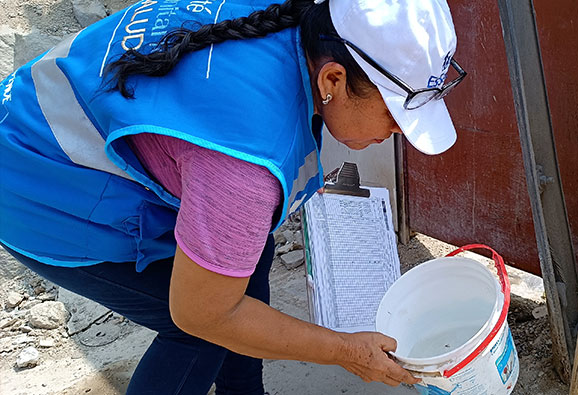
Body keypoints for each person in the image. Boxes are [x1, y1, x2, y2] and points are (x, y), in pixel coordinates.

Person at [0, 0, 465, 393]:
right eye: (395, 117)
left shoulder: (304, 19)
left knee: (244, 252)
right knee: (200, 332)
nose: (395, 135)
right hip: (35, 185)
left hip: (46, 104)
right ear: (333, 81)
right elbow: (204, 313)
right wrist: (345, 350)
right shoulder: (247, 161)